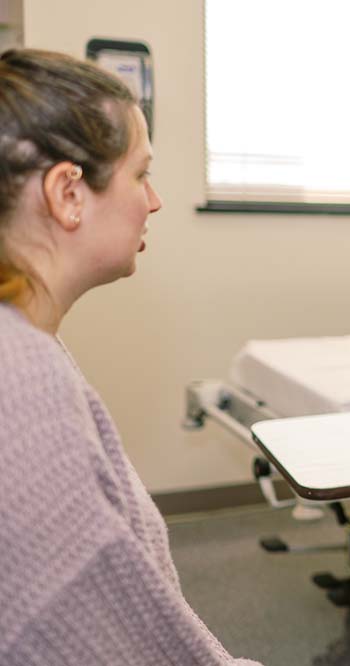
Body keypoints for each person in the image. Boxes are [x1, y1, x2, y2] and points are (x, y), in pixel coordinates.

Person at [0, 49, 260, 665]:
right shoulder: (22, 379)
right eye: (140, 174)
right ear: (68, 193)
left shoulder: (29, 343)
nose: (155, 200)